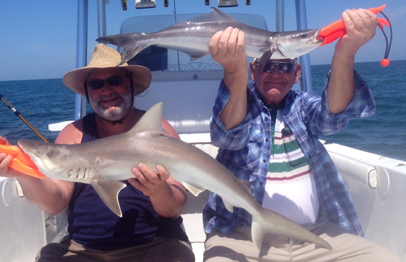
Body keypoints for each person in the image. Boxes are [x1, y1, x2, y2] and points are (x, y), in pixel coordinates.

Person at [203, 9, 400, 262]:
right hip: (240, 235)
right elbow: (224, 137)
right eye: (266, 65)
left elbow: (331, 119)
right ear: (253, 71)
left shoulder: (302, 106)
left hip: (315, 235)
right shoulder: (242, 103)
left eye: (285, 66)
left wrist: (346, 52)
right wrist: (234, 72)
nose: (275, 72)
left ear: (297, 75)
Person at [0, 44, 195, 262]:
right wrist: (20, 171)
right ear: (87, 91)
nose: (106, 90)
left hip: (154, 245)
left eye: (115, 81)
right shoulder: (74, 133)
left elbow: (175, 207)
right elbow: (55, 203)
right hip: (83, 250)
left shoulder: (159, 133)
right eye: (96, 84)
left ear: (131, 84)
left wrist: (159, 191)